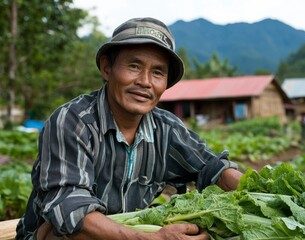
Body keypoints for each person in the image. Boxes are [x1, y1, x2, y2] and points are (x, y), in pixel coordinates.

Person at [16, 17, 242, 240]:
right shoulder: (73, 121)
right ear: (107, 68)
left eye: (157, 72)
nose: (145, 81)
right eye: (134, 66)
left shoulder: (166, 128)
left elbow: (212, 168)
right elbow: (69, 209)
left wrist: (265, 193)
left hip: (127, 232)